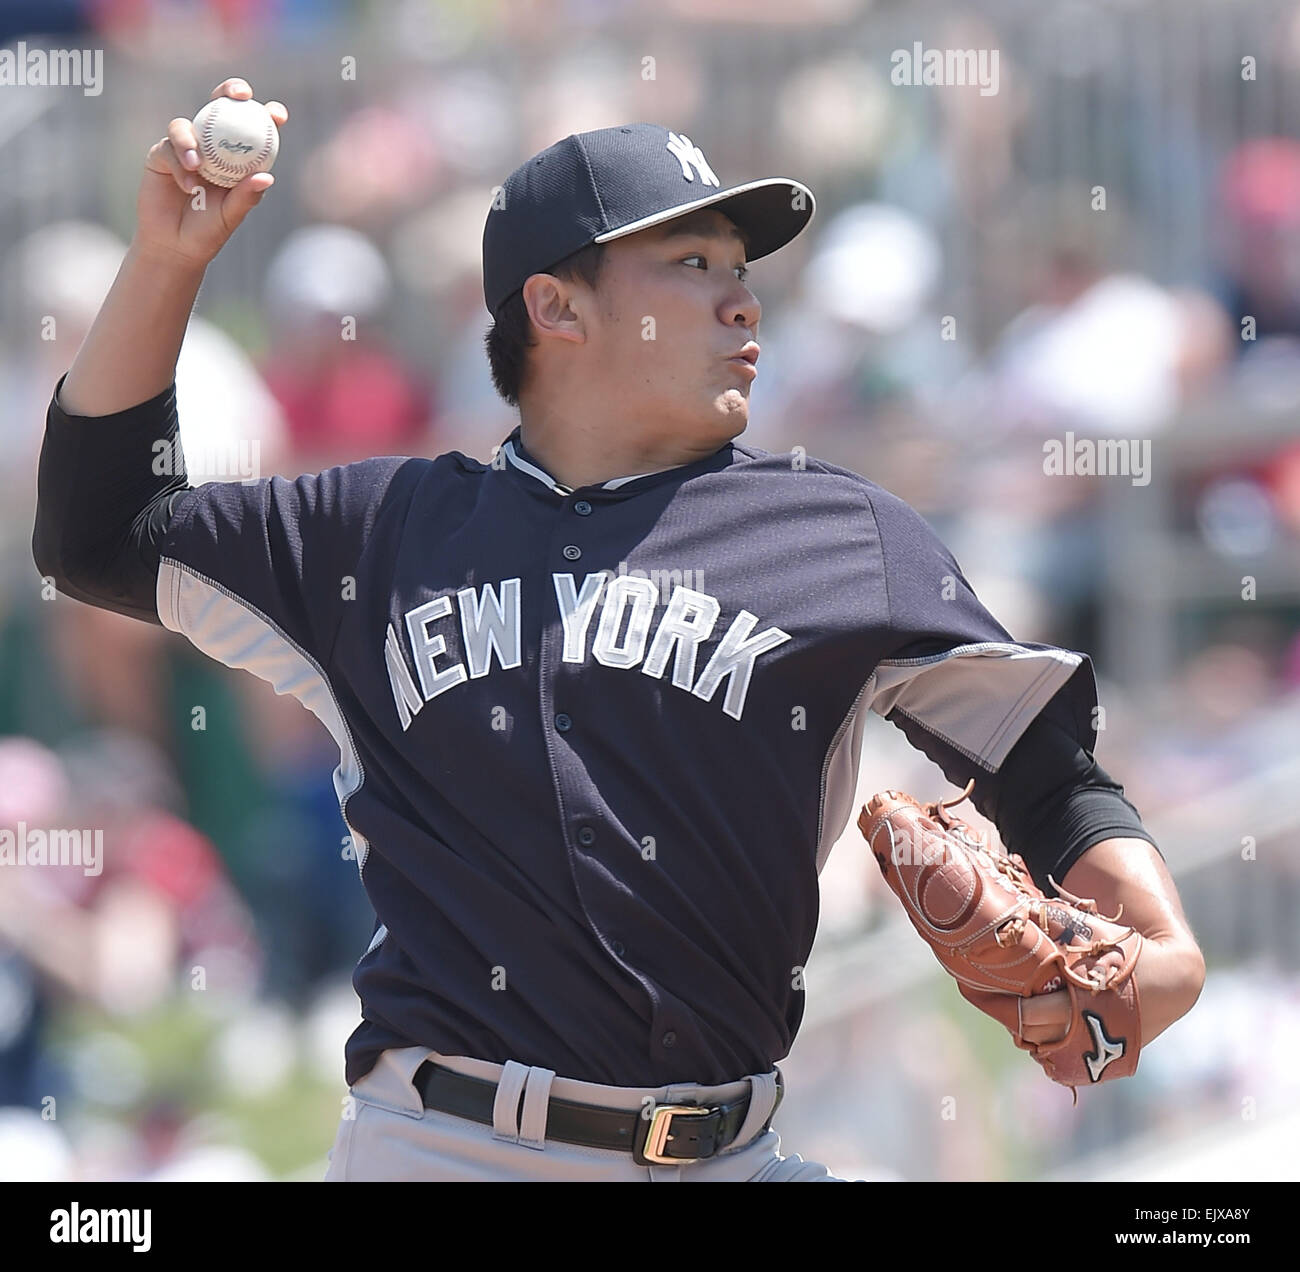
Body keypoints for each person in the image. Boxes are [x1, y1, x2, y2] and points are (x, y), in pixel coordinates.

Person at [32, 79, 1205, 1182]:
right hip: (449, 1151)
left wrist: (1161, 941)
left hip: (729, 1148)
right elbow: (101, 533)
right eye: (690, 262)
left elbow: (1045, 773)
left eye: (740, 268)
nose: (740, 295)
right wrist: (169, 261)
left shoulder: (842, 538)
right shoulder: (378, 530)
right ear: (555, 306)